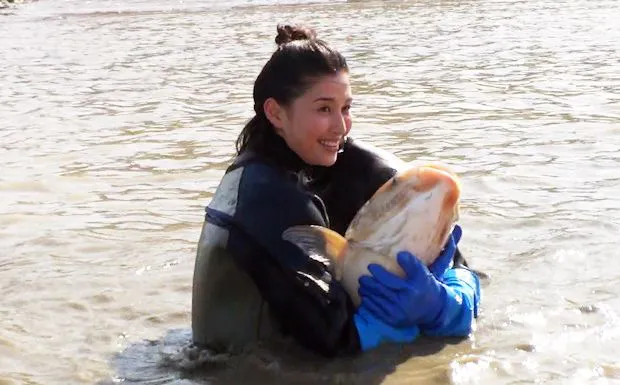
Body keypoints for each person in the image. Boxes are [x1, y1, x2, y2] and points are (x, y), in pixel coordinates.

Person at [191, 24, 481, 358]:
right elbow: (335, 341)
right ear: (276, 113)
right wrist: (406, 318)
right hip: (236, 369)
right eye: (324, 109)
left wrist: (447, 304)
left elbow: (462, 267)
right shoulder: (267, 194)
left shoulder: (358, 165)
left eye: (346, 108)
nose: (340, 126)